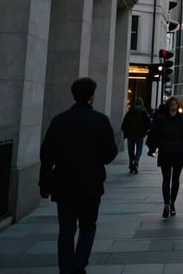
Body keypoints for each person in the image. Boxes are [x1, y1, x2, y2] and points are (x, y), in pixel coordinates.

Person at [39, 77, 118, 274]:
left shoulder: (60, 120)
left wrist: (44, 182)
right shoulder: (100, 121)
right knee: (88, 227)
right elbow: (109, 154)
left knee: (66, 231)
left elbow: (46, 154)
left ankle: (66, 269)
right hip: (91, 183)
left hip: (64, 183)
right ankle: (79, 265)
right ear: (91, 97)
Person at [146, 96, 183, 218]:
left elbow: (154, 135)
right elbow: (155, 135)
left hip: (173, 152)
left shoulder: (164, 120)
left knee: (172, 180)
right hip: (171, 152)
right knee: (169, 180)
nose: (173, 106)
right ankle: (169, 204)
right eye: (172, 104)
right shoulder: (181, 120)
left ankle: (170, 203)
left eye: (174, 104)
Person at [121, 96, 151, 174]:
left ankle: (131, 162)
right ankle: (136, 161)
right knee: (139, 149)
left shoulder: (130, 112)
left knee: (130, 150)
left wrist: (125, 132)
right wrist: (147, 130)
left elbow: (124, 123)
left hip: (130, 134)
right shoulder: (143, 112)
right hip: (140, 134)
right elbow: (148, 123)